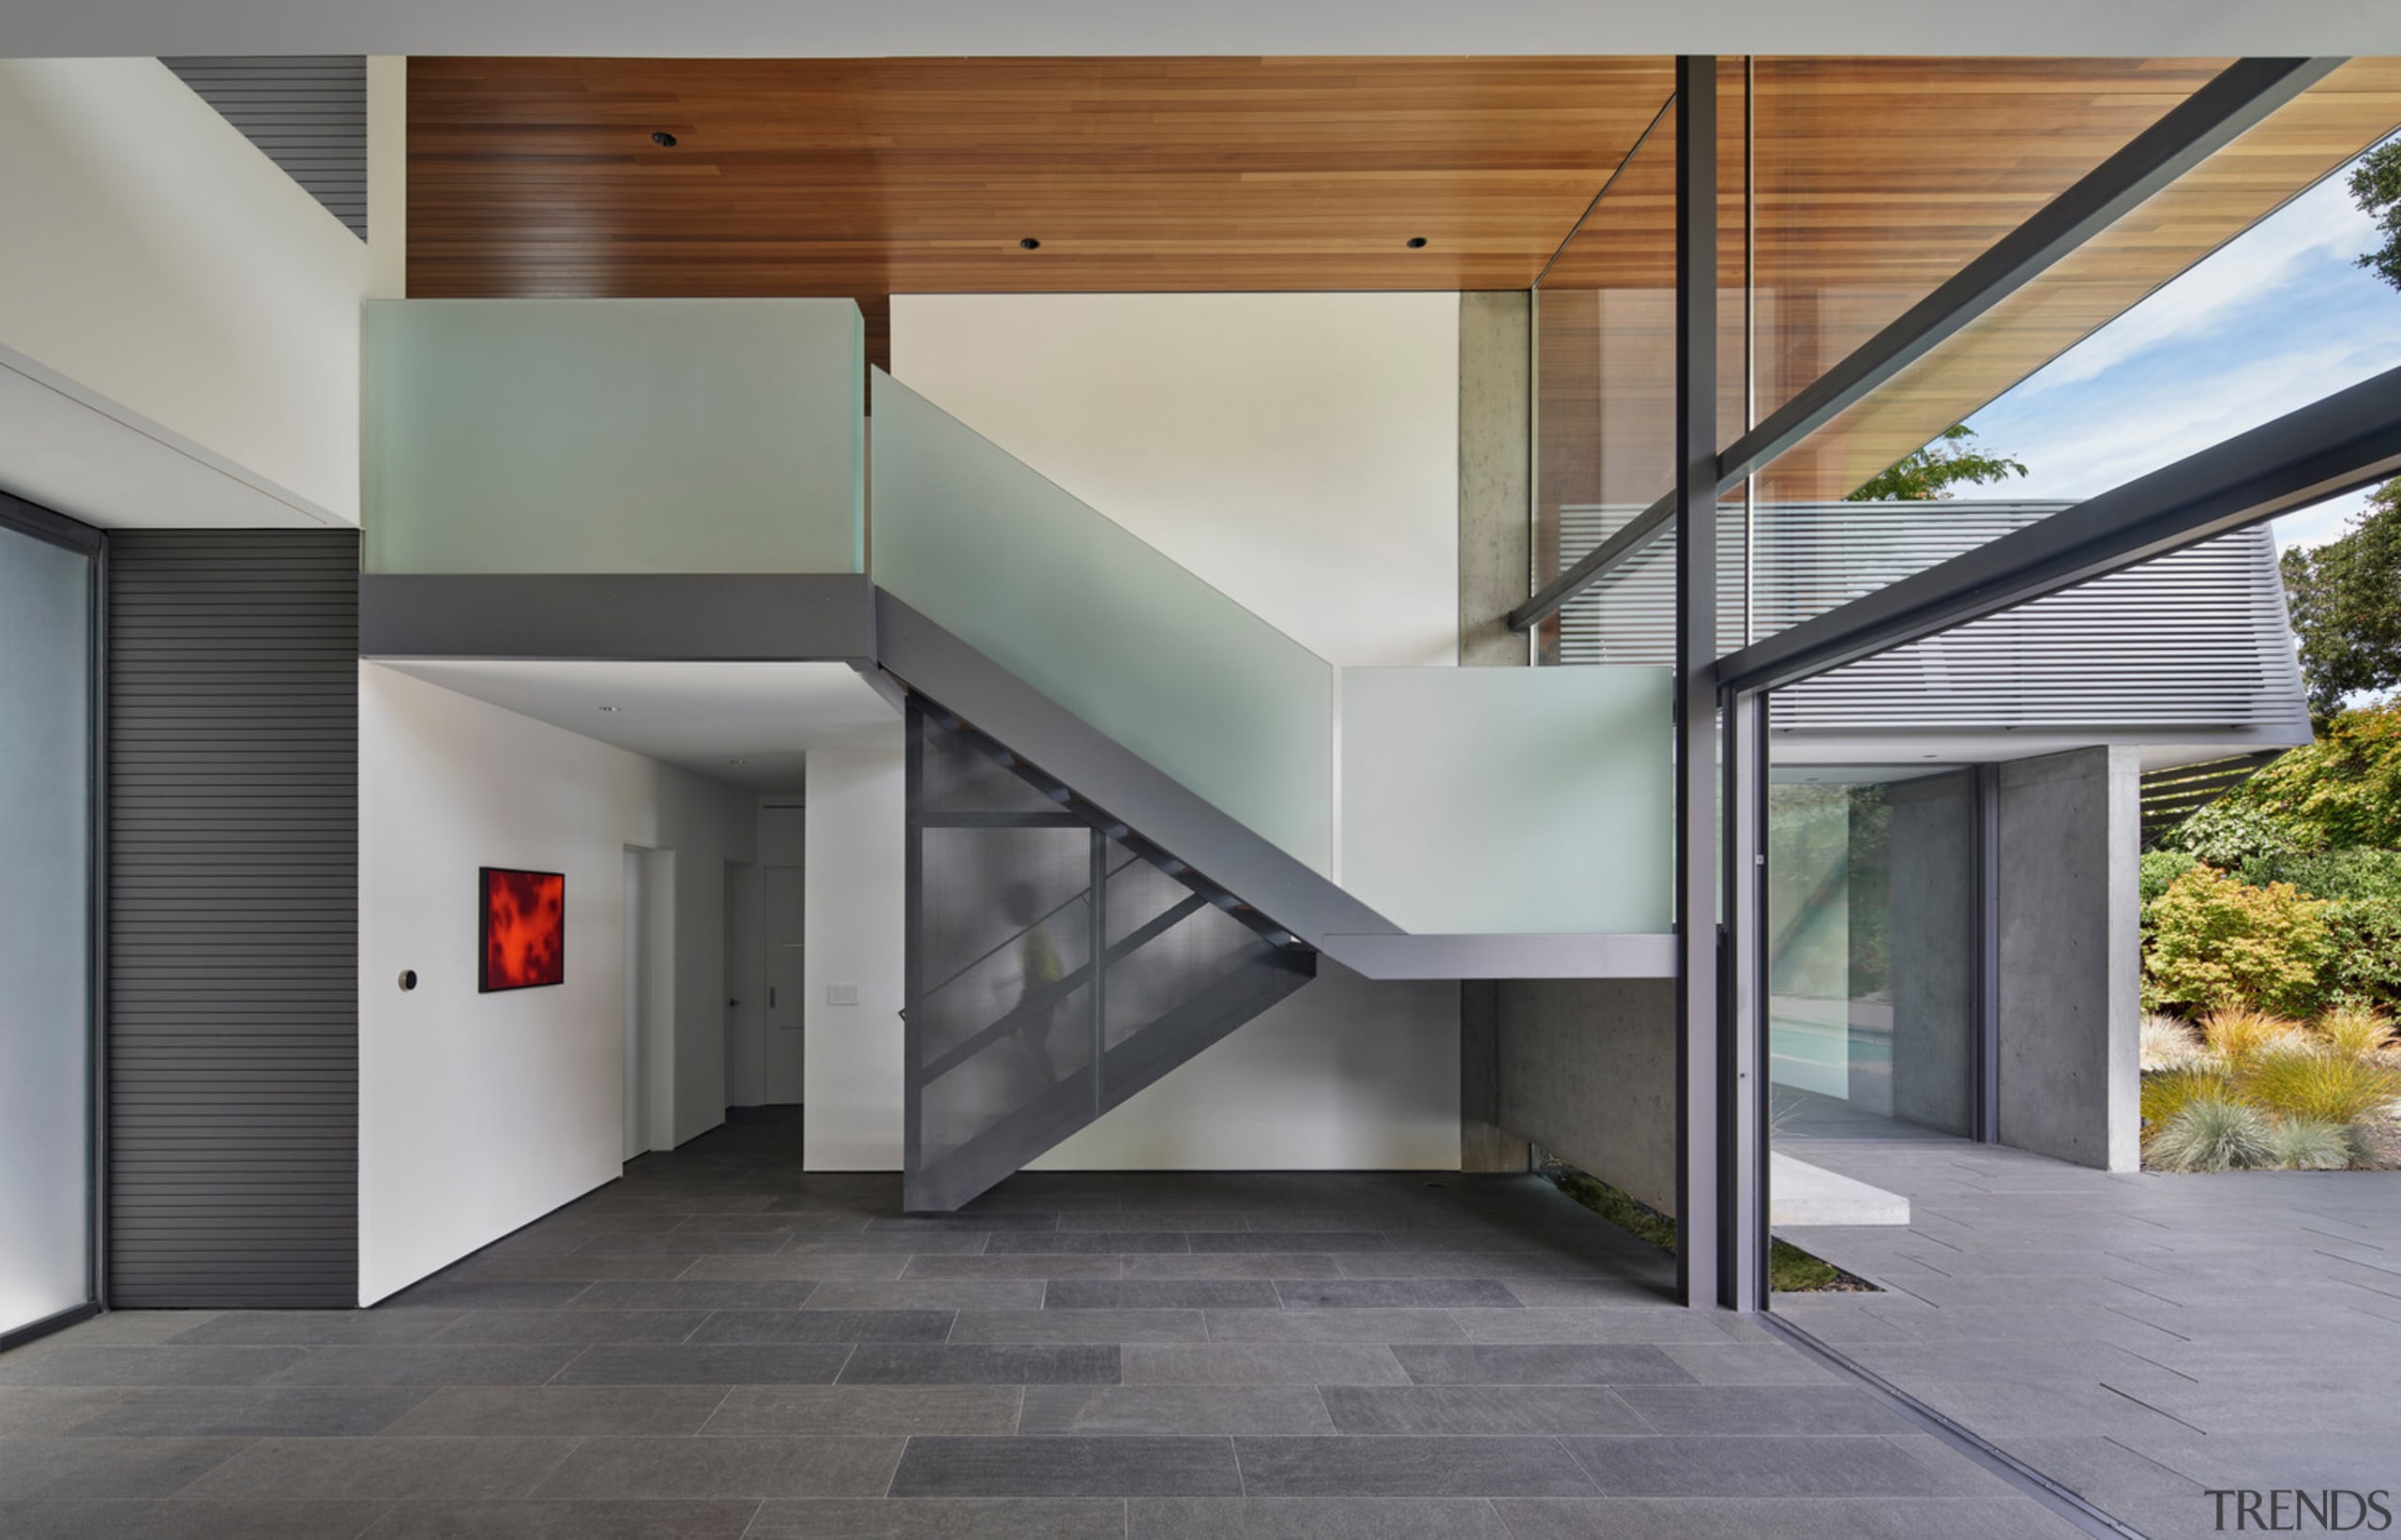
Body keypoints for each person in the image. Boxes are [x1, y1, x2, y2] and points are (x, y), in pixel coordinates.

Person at [1005, 882, 1065, 1083]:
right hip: (1043, 991)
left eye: (1013, 908)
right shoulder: (1036, 933)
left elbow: (1043, 974)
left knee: (1034, 1043)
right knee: (1033, 1042)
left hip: (1042, 992)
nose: (1010, 913)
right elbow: (1054, 962)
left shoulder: (1036, 934)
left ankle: (1054, 1088)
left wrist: (1018, 1012)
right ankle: (1052, 1086)